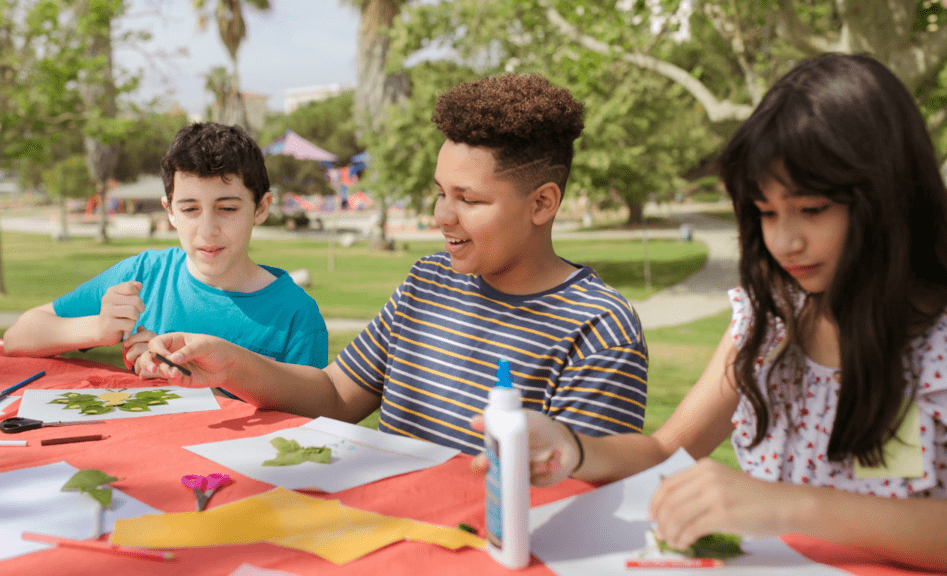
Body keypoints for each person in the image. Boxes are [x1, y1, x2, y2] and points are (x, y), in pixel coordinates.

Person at [481, 53, 947, 570]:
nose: (785, 241)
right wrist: (571, 447)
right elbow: (667, 449)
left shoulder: (936, 345)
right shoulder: (773, 320)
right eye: (766, 213)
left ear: (888, 195)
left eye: (812, 209)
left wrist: (790, 506)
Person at [143, 73, 649, 456]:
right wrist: (231, 362)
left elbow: (577, 487)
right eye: (439, 193)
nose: (441, 216)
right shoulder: (429, 281)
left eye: (468, 199)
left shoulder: (599, 328)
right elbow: (338, 394)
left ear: (542, 204)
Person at [3, 122, 329, 374]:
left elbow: (308, 428)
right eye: (190, 209)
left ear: (261, 208)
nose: (208, 229)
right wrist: (98, 329)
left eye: (227, 209)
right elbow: (17, 337)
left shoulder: (296, 316)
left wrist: (186, 378)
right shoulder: (143, 275)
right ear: (170, 211)